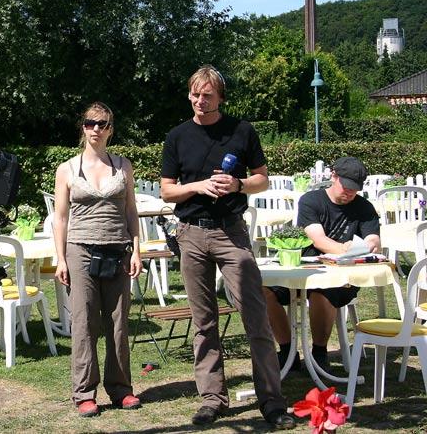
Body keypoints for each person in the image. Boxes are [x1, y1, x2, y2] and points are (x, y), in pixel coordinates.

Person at [160, 66, 294, 429]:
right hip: (191, 233)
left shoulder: (242, 131)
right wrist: (199, 187)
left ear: (220, 97)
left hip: (231, 234)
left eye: (207, 95)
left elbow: (262, 180)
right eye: (195, 94)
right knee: (204, 322)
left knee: (256, 316)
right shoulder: (177, 136)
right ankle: (213, 400)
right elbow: (167, 190)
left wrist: (237, 186)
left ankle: (272, 402)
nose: (200, 101)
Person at [53, 101, 143, 417]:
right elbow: (60, 218)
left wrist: (137, 250)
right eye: (91, 123)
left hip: (118, 250)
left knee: (118, 323)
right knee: (85, 322)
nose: (96, 129)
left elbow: (131, 210)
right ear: (83, 127)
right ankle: (84, 393)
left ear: (110, 129)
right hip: (80, 250)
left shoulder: (123, 165)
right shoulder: (67, 169)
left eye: (102, 124)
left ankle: (121, 389)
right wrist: (61, 258)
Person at [264, 157, 380, 372]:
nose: (349, 193)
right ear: (333, 177)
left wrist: (369, 245)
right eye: (346, 187)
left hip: (341, 276)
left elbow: (373, 239)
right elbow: (317, 239)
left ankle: (319, 352)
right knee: (263, 291)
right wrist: (347, 249)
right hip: (304, 270)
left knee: (322, 291)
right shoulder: (311, 200)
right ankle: (287, 350)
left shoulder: (364, 207)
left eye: (354, 190)